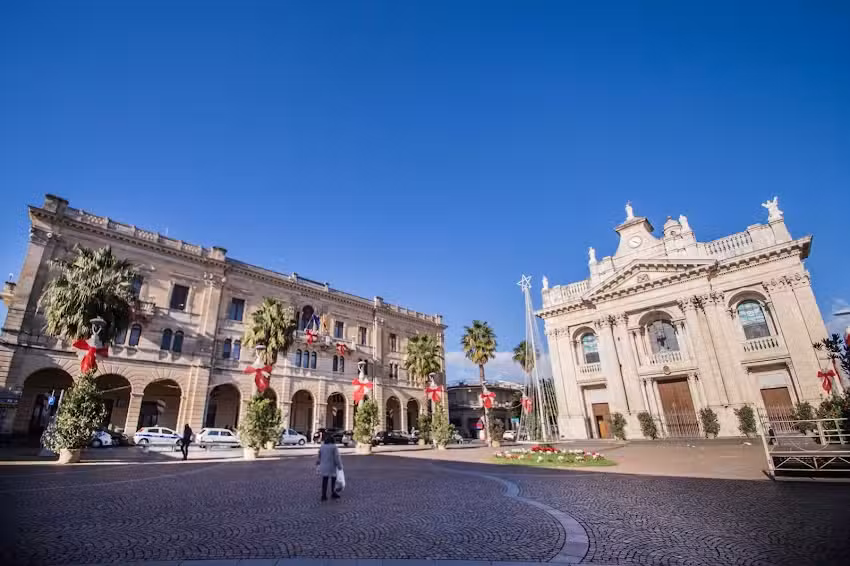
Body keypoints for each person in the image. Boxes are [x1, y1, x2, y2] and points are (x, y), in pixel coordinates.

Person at [316, 433, 343, 501]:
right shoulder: (334, 447)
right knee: (333, 480)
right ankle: (333, 492)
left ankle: (323, 495)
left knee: (325, 480)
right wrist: (340, 466)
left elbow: (319, 456)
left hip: (324, 465)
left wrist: (318, 463)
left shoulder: (322, 446)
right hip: (332, 466)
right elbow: (336, 457)